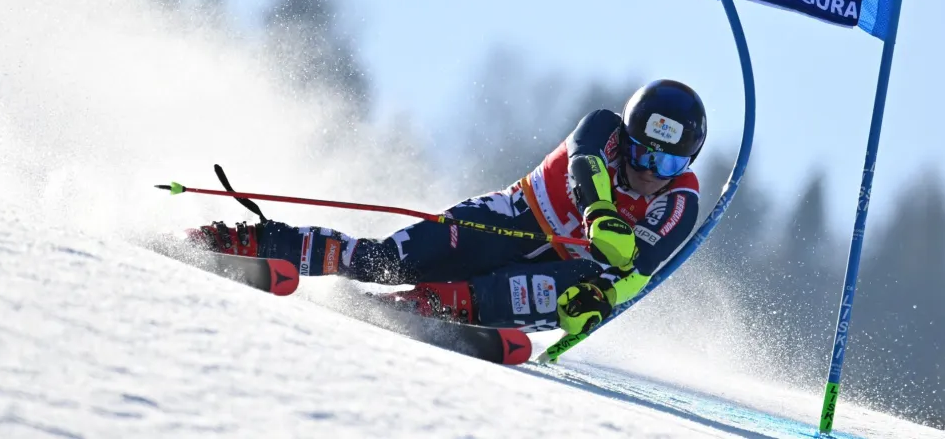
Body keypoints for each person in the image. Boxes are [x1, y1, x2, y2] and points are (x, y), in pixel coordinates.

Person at [189, 79, 707, 336]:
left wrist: (600, 297)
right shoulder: (601, 126)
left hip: (564, 273)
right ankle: (248, 241)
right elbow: (585, 166)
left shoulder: (681, 202)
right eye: (641, 151)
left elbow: (639, 268)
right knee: (382, 259)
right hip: (512, 218)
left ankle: (421, 309)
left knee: (534, 288)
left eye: (664, 164)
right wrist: (599, 214)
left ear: (685, 163)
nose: (646, 170)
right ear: (627, 134)